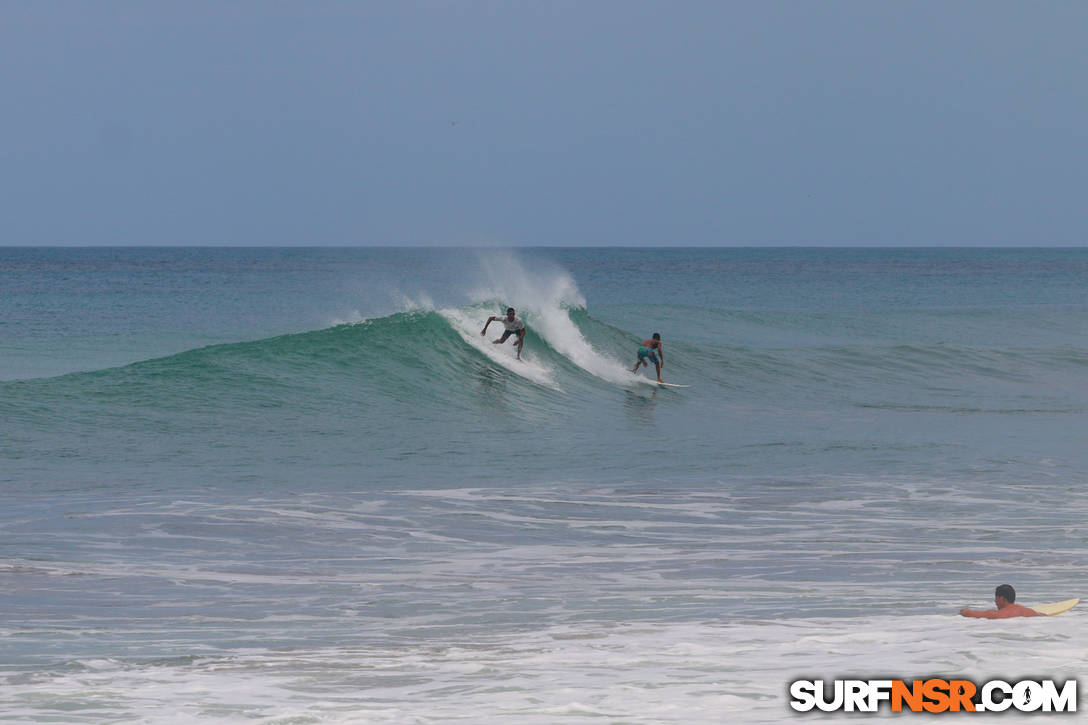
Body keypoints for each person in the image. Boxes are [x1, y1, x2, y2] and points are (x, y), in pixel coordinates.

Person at [959, 584, 1046, 618]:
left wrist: (962, 611)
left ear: (1002, 599)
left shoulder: (996, 614)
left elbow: (967, 613)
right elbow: (1044, 616)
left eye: (996, 598)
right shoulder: (1029, 612)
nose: (995, 601)